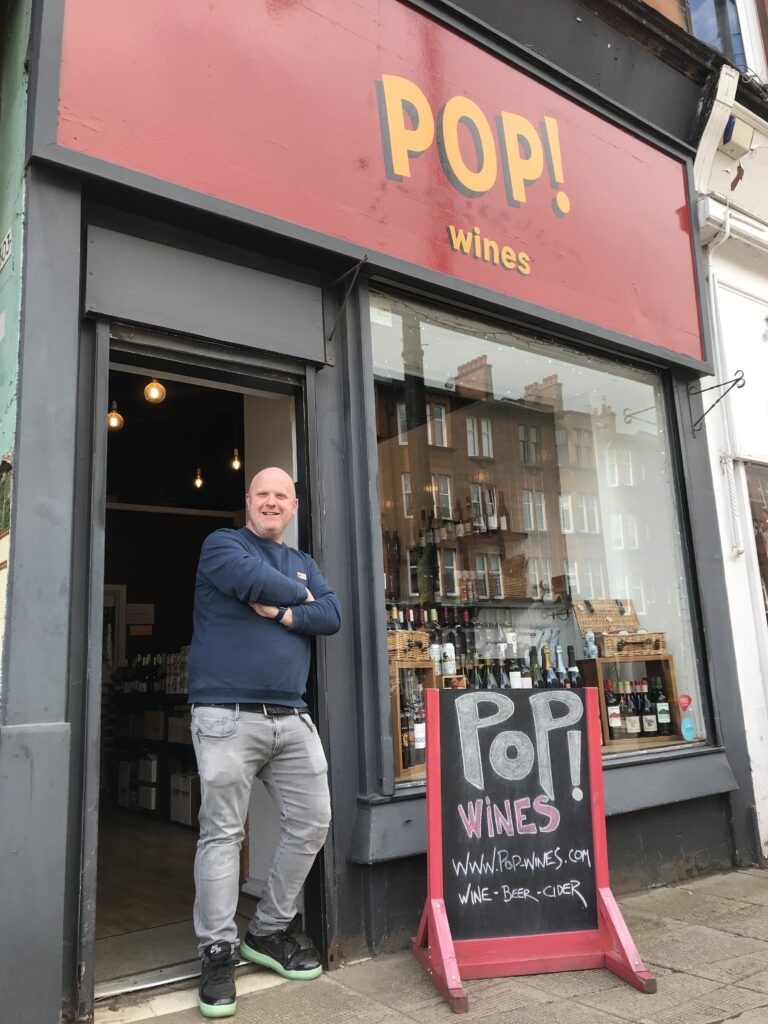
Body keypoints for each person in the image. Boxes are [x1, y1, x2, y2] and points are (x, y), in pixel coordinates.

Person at [188, 466, 341, 1019]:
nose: (272, 502)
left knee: (313, 821)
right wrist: (299, 598)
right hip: (225, 714)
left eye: (282, 495)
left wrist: (282, 609)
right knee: (223, 834)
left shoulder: (304, 560)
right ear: (248, 500)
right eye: (263, 494)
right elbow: (253, 580)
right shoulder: (223, 544)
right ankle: (217, 953)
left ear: (293, 506)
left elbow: (331, 615)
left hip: (292, 716)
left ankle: (269, 929)